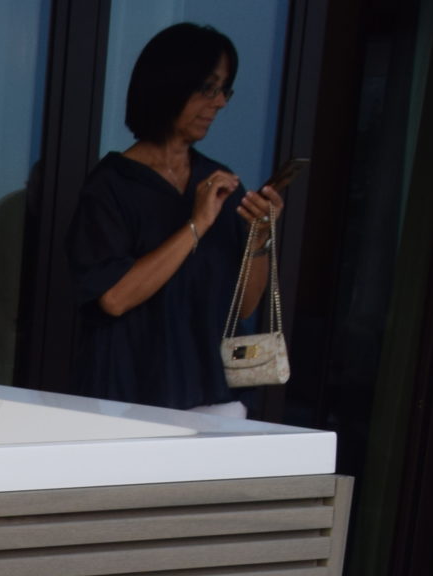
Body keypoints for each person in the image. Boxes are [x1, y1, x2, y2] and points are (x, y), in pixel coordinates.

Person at [68, 22, 284, 416]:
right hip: (128, 398)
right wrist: (196, 225)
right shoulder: (112, 186)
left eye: (224, 90)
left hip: (214, 396)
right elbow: (114, 298)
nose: (219, 103)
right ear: (169, 86)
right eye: (208, 88)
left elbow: (243, 307)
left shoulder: (220, 182)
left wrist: (260, 238)